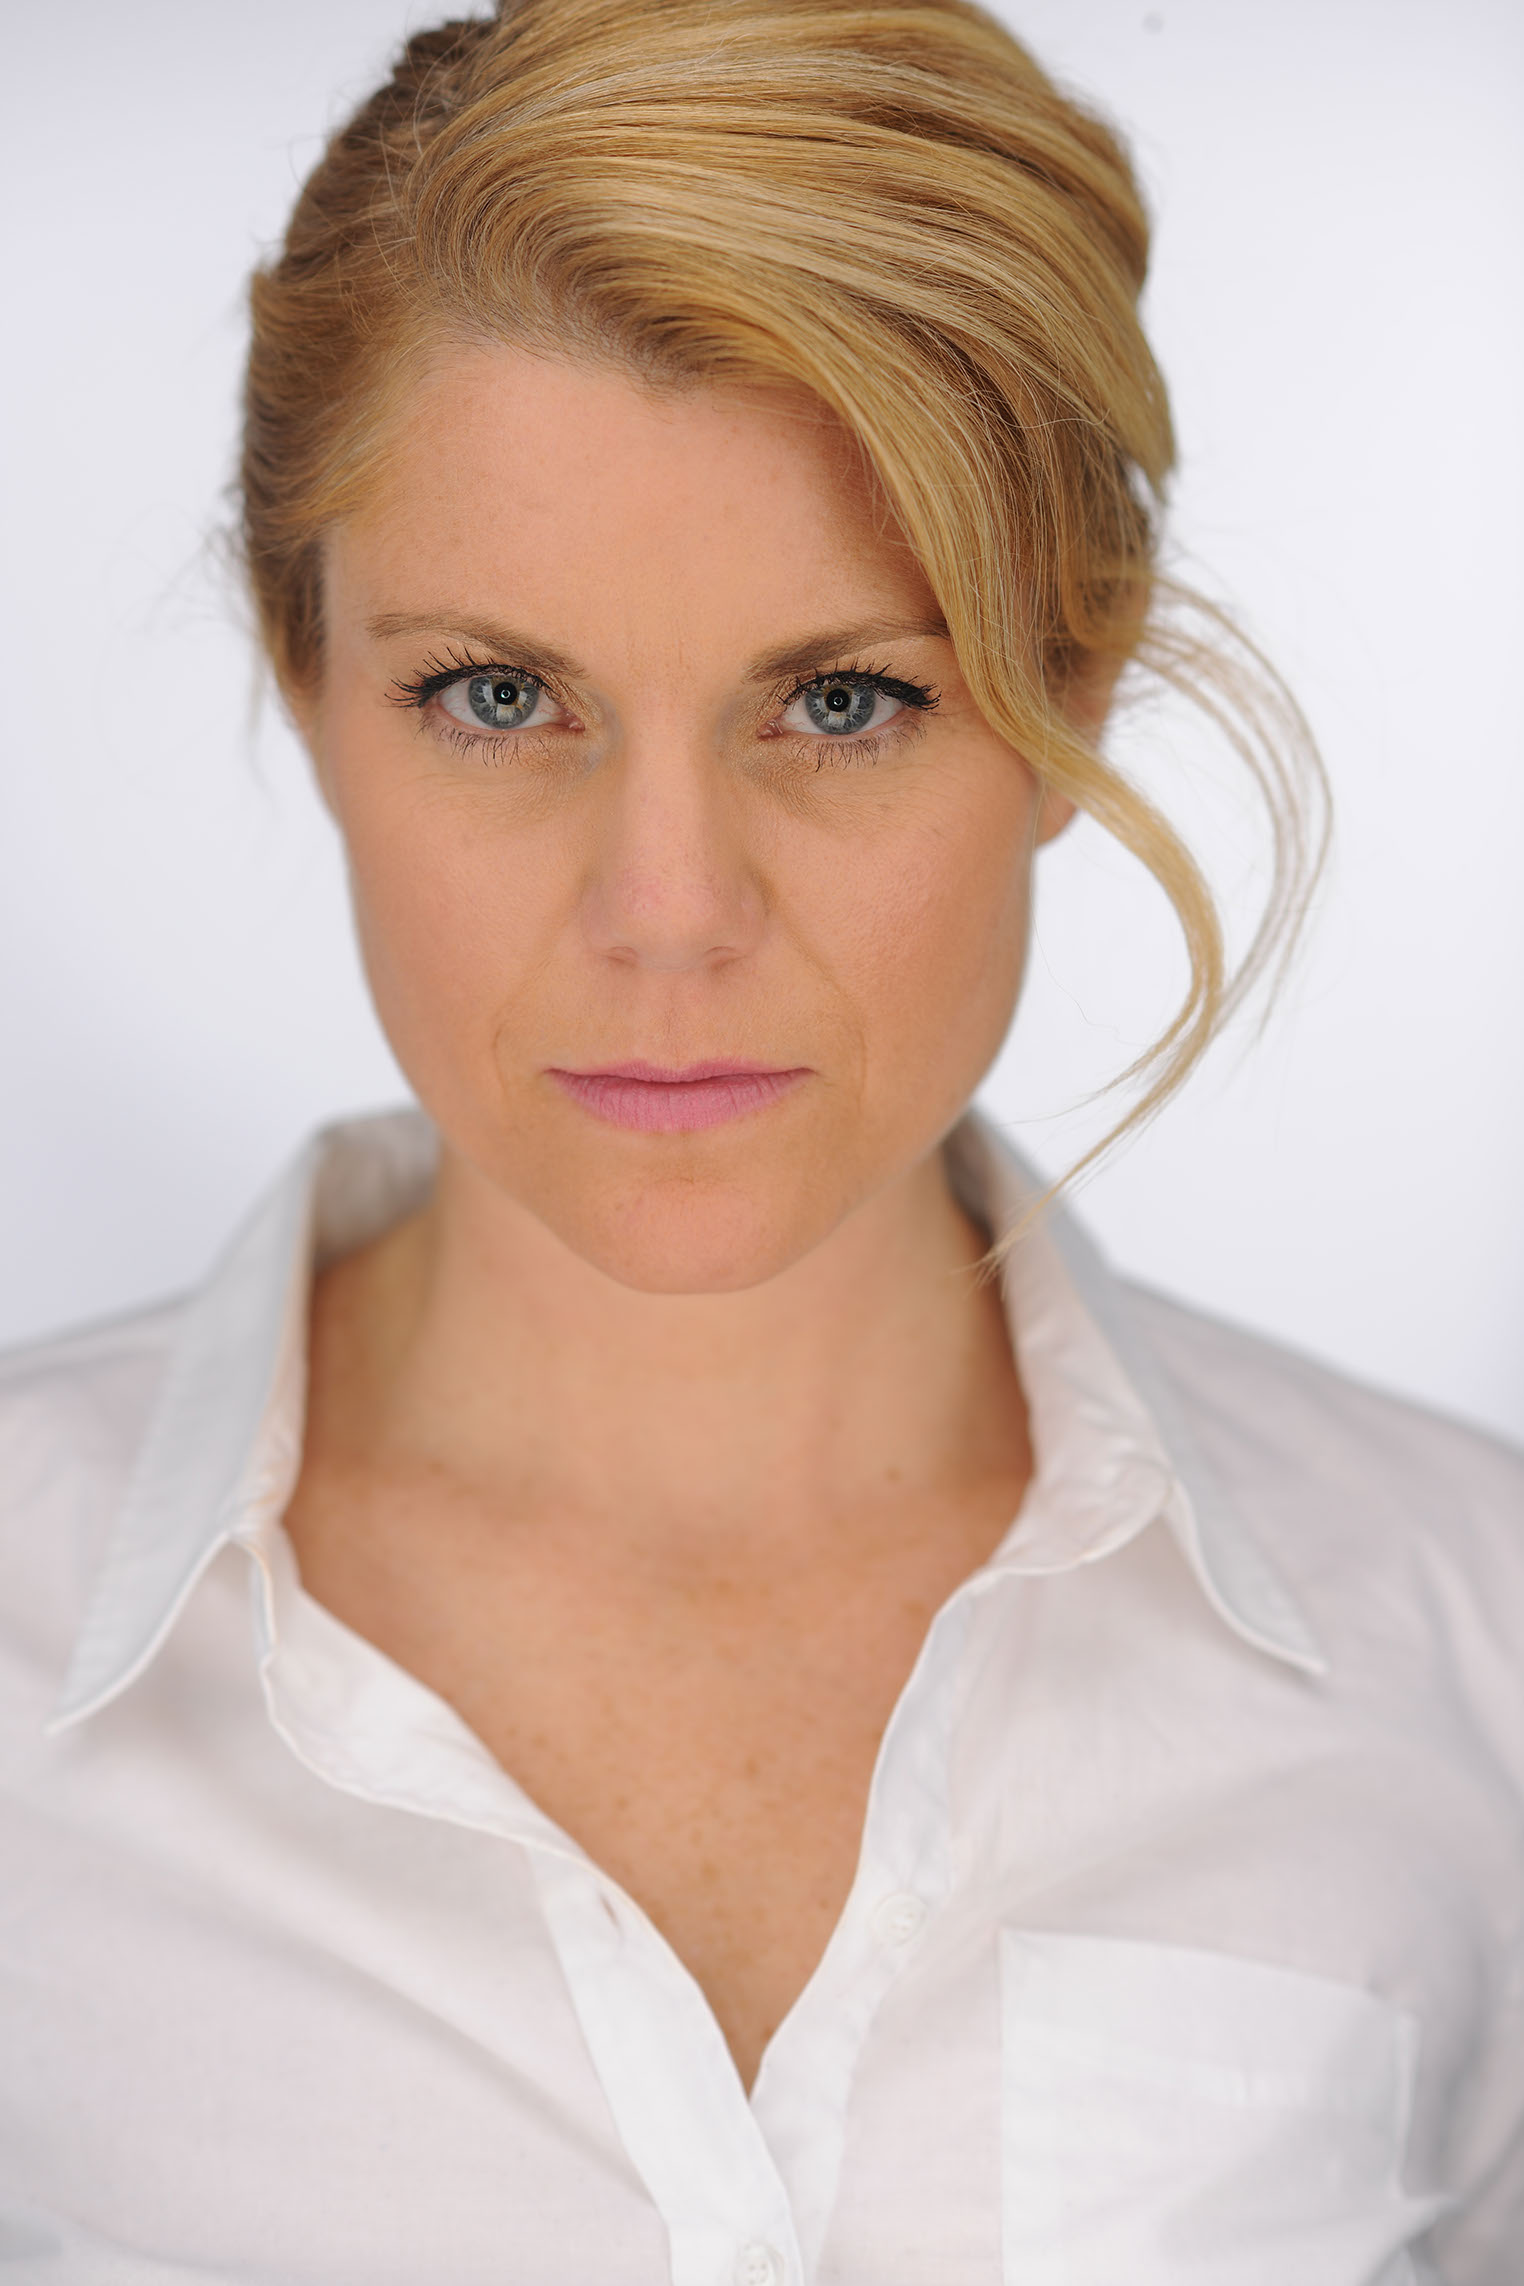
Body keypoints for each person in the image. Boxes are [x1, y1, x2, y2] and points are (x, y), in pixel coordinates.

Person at [2, 0, 1521, 2277]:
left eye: (841, 698)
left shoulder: (1477, 1659)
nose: (670, 914)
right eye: (498, 695)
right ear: (302, 676)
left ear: (1075, 680)